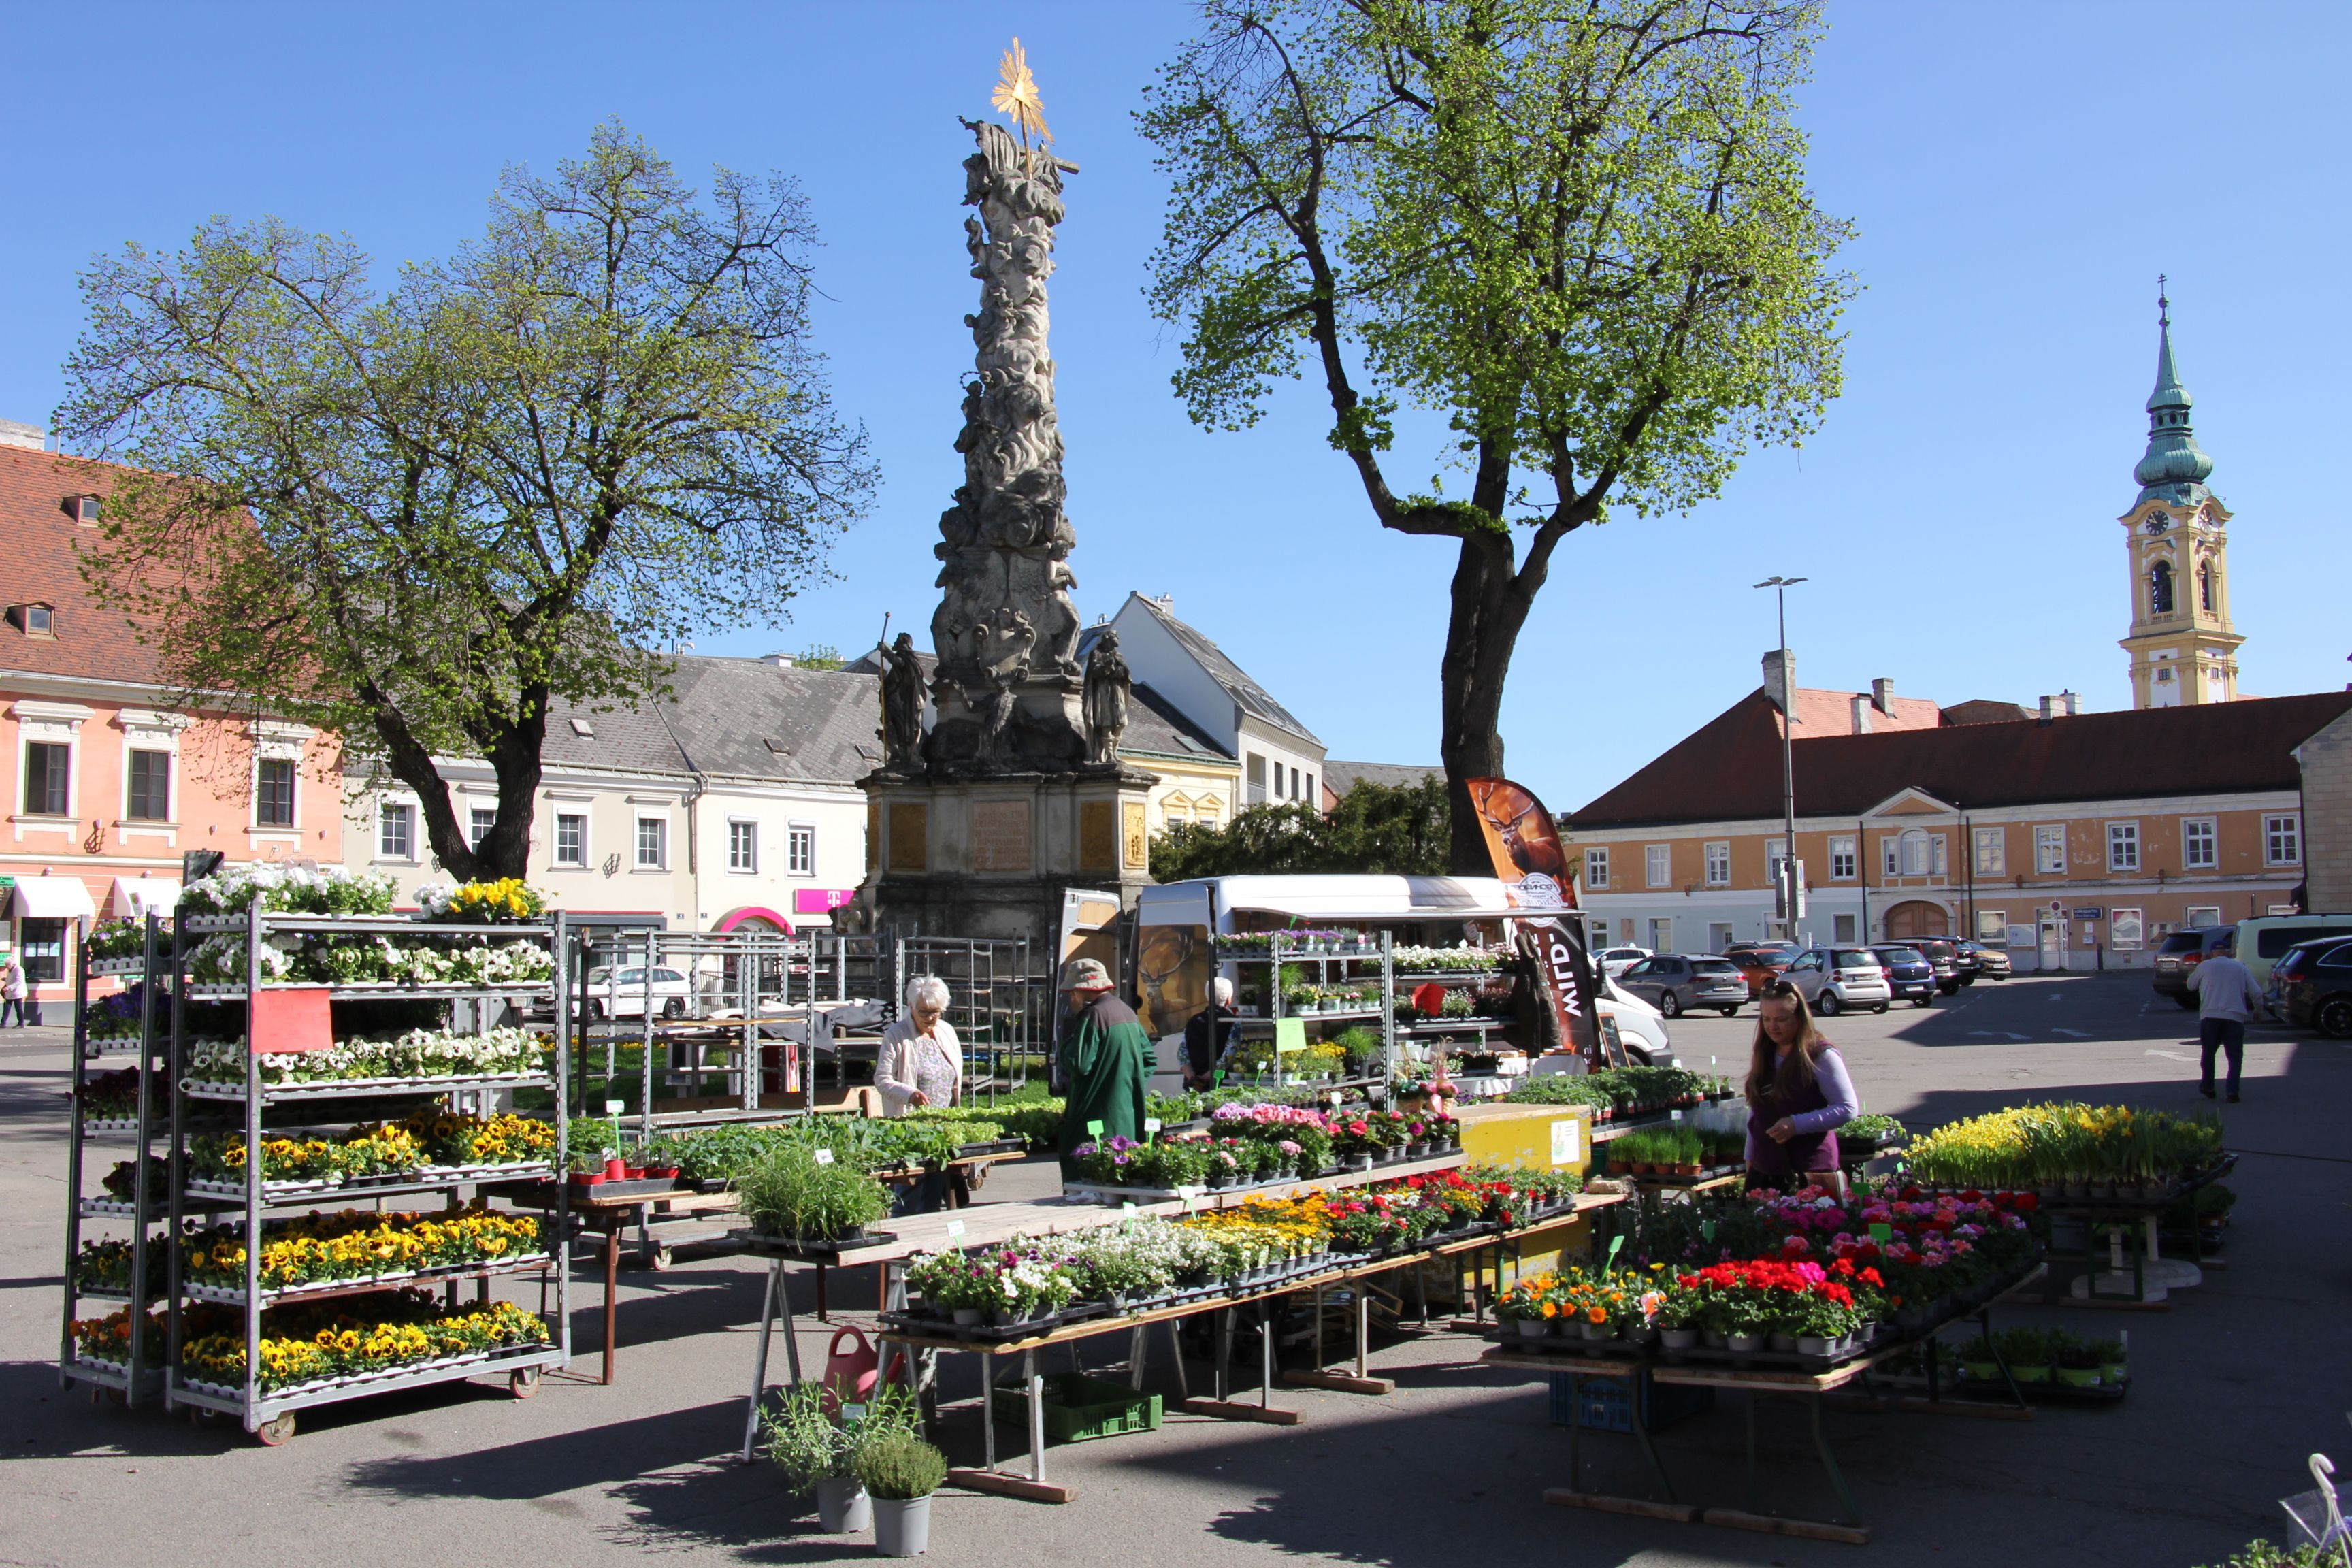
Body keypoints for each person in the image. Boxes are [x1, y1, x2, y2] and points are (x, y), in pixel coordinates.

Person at [1744, 981, 1857, 1192]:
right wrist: (1749, 1158)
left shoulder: (1820, 1054)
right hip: (1765, 1171)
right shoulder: (1765, 1053)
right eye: (1766, 1019)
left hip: (1810, 1173)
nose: (1772, 1027)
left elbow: (1847, 1108)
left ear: (1799, 1017)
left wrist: (1796, 1125)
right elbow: (1756, 1110)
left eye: (1781, 1019)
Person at [1056, 958, 1153, 1176]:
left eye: (1072, 992)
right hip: (1128, 1114)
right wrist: (1126, 1081)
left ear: (1081, 991)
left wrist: (1064, 1049)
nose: (1071, 998)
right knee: (1121, 1178)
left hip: (1096, 1115)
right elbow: (1149, 1059)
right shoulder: (1127, 1012)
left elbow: (1078, 1063)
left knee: (1091, 1177)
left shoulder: (1094, 1016)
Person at [876, 975, 961, 1213]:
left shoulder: (947, 1032)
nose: (930, 1018)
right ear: (911, 1007)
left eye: (936, 1011)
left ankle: (929, 1247)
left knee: (934, 1195)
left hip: (943, 1129)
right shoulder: (896, 1035)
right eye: (923, 1012)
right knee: (908, 1196)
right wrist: (910, 1094)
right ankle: (901, 1244)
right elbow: (881, 1080)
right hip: (910, 1129)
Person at [2187, 946, 2259, 1102]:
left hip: (2210, 1016)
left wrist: (2200, 966)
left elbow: (2190, 985)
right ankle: (2232, 1091)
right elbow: (2257, 992)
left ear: (2212, 953)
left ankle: (2208, 1086)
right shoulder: (2240, 966)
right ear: (2228, 952)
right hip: (2234, 1017)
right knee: (2234, 1057)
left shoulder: (2205, 966)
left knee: (2208, 1053)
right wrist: (2258, 1010)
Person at [1182, 977, 1241, 1092]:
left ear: (1207, 998)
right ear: (1229, 999)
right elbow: (1228, 1055)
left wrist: (1194, 1078)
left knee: (1194, 1109)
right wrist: (1205, 1078)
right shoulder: (1233, 1022)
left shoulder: (1194, 1021)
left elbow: (1182, 1054)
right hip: (1221, 1084)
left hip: (1193, 1085)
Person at [0, 958, 22, 1028]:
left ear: (11, 964)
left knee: (18, 1008)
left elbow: (19, 981)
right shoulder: (11, 970)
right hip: (10, 993)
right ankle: (3, 1023)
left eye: (7, 965)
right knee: (6, 1007)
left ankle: (21, 1023)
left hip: (17, 992)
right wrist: (6, 979)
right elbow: (12, 978)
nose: (6, 966)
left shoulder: (19, 969)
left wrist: (9, 987)